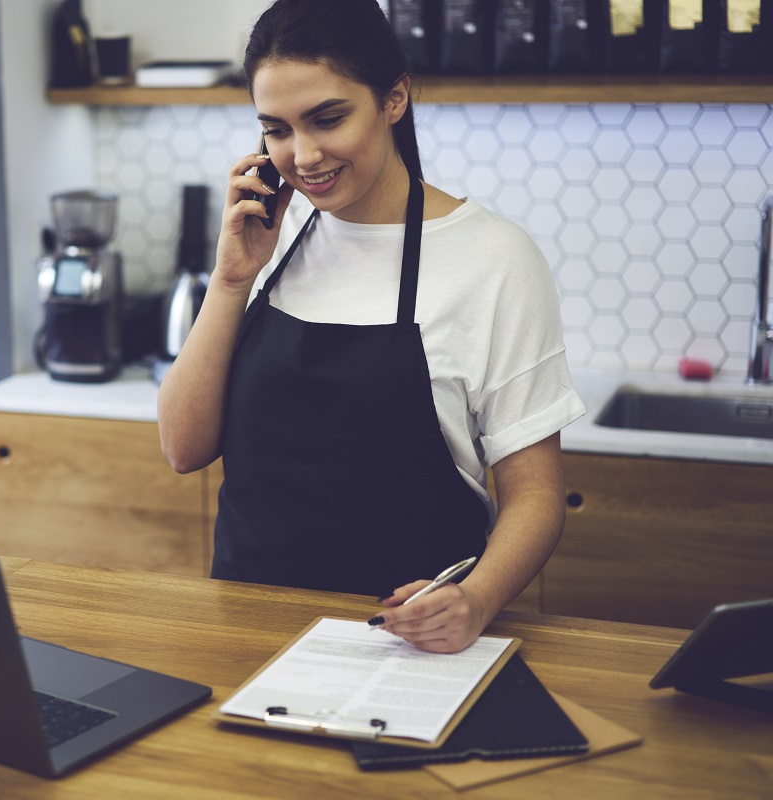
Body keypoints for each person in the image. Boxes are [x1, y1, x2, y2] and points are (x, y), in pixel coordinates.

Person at [156, 0, 585, 654]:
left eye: (327, 118)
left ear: (394, 98)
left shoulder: (494, 260)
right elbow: (183, 448)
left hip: (404, 642)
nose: (302, 155)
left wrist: (474, 600)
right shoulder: (270, 236)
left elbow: (536, 497)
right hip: (245, 630)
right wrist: (230, 278)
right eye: (275, 129)